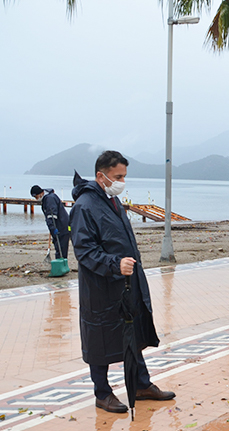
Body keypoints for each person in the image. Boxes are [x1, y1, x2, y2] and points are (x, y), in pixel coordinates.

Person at [69, 150, 175, 414]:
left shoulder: (112, 201)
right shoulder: (85, 206)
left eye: (124, 176)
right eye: (118, 176)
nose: (122, 181)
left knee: (133, 331)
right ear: (100, 176)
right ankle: (102, 393)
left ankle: (141, 384)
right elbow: (84, 251)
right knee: (99, 337)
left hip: (127, 283)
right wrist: (114, 264)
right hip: (100, 287)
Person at [30, 185, 70, 261]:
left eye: (36, 197)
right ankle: (60, 263)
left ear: (41, 193)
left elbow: (51, 215)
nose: (36, 199)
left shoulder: (50, 199)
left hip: (61, 226)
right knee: (58, 246)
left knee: (61, 247)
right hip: (59, 225)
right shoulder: (47, 198)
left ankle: (61, 264)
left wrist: (52, 227)